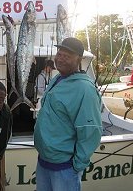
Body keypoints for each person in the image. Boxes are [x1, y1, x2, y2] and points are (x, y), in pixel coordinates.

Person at [34, 37, 102, 191]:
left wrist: (76, 165)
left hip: (64, 168)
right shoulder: (57, 78)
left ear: (79, 59)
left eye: (67, 55)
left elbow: (91, 131)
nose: (61, 58)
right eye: (59, 53)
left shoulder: (85, 89)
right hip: (44, 162)